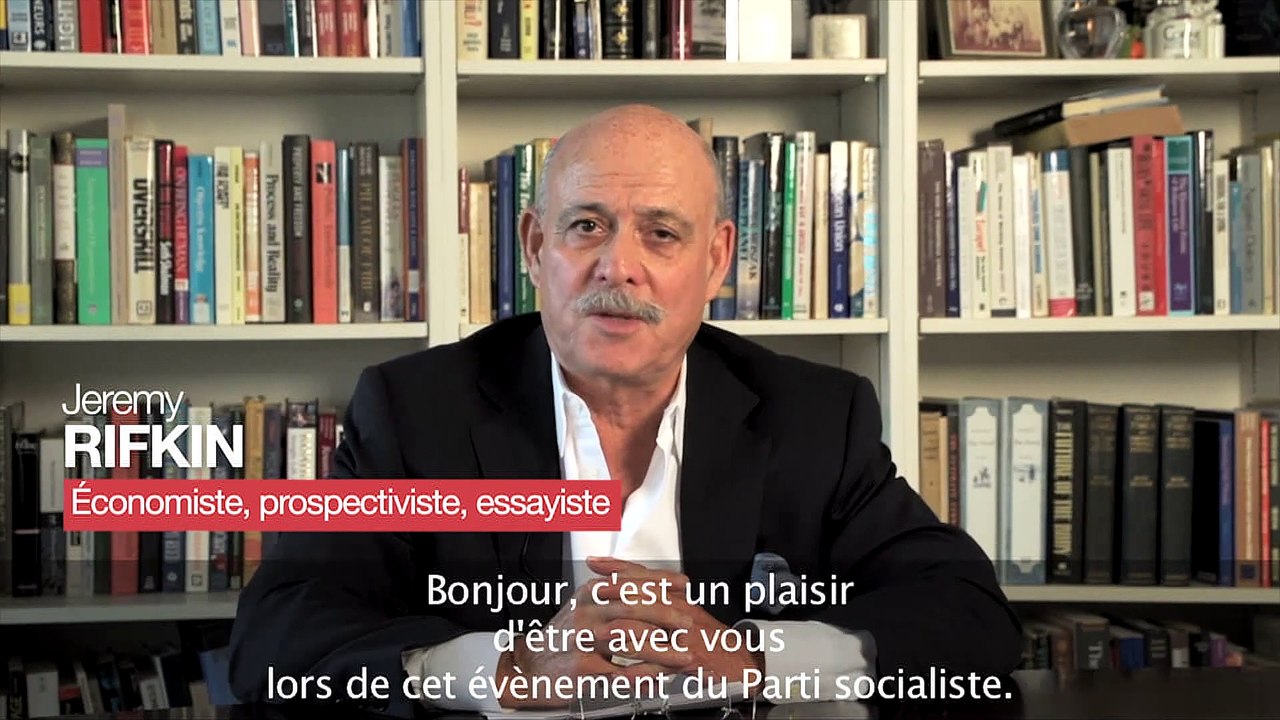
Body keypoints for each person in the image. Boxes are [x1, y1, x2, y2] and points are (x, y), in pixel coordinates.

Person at [228, 104, 1022, 714]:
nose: (619, 266)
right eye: (587, 226)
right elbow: (276, 635)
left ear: (716, 259)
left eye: (661, 233)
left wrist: (752, 659)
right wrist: (505, 669)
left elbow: (966, 614)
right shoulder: (414, 410)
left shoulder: (813, 414)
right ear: (535, 246)